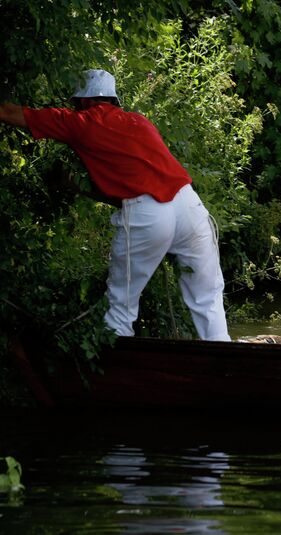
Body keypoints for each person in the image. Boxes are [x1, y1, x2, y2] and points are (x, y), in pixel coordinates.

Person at [0, 69, 230, 341]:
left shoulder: (81, 123)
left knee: (121, 304)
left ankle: (115, 369)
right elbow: (127, 189)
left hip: (149, 211)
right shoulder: (139, 122)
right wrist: (78, 189)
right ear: (113, 99)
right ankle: (226, 363)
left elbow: (13, 114)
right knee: (208, 298)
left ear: (83, 101)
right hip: (189, 205)